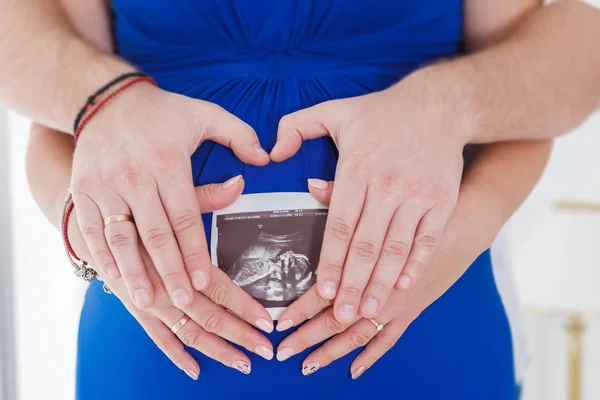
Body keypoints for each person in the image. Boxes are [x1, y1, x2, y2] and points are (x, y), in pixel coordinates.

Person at [5, 0, 600, 399]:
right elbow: (59, 120)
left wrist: (448, 113)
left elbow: (564, 69)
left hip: (426, 340)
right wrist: (85, 228)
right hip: (159, 354)